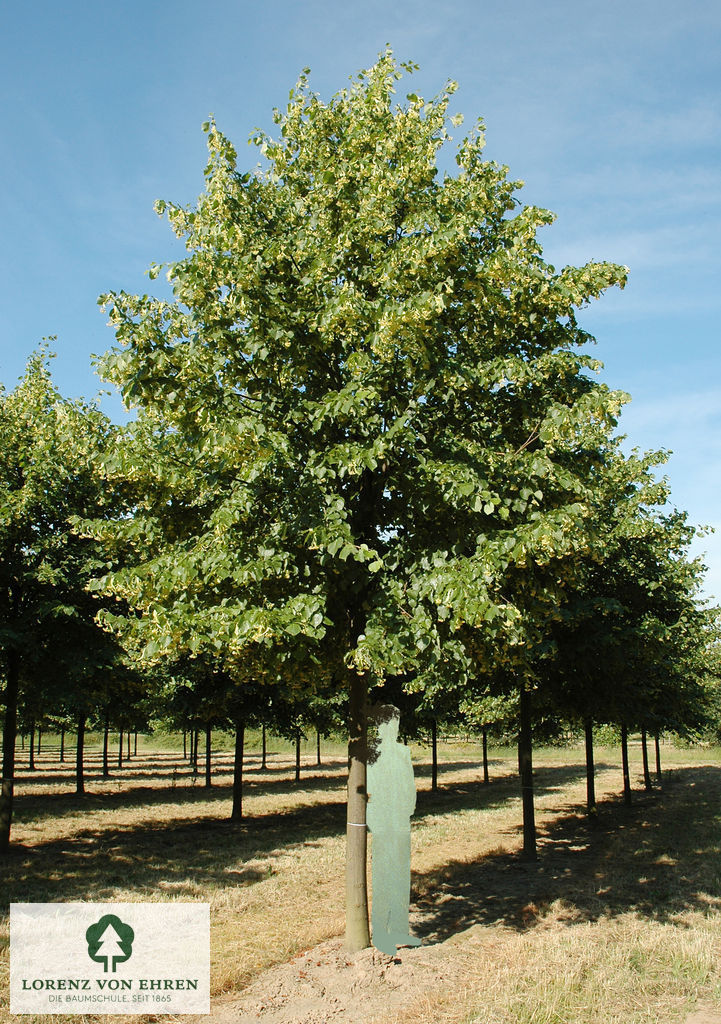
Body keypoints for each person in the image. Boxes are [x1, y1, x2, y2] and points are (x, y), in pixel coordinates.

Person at [366, 705, 422, 956]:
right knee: (382, 877)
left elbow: (410, 785)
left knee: (400, 876)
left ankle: (400, 930)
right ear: (379, 726)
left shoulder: (403, 752)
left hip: (400, 821)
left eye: (396, 723)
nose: (393, 728)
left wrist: (408, 809)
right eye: (388, 723)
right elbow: (368, 789)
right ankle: (380, 933)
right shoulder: (370, 753)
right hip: (381, 822)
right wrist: (374, 819)